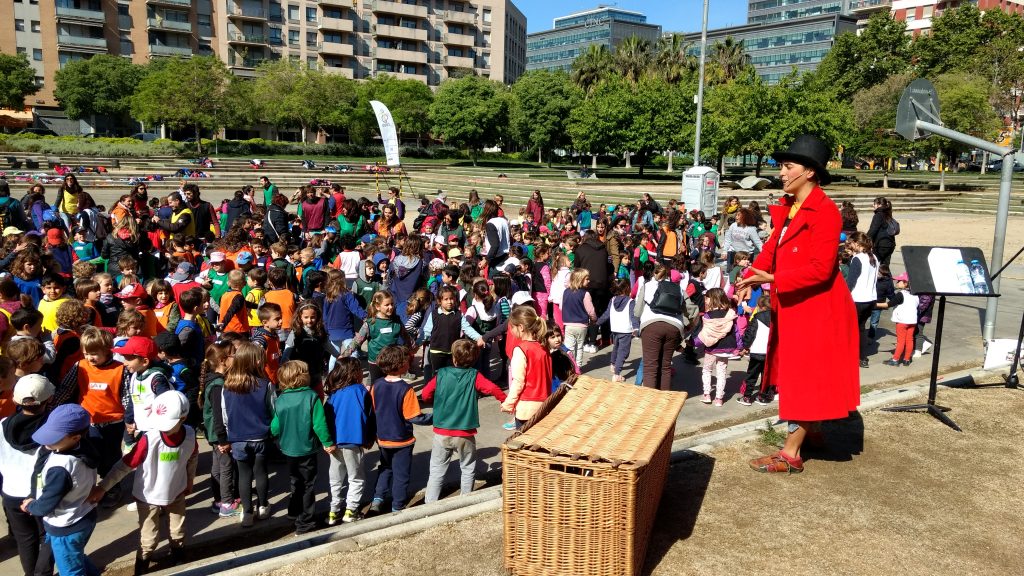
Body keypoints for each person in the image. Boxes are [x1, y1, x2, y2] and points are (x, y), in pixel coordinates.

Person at [736, 133, 860, 475]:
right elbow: (771, 250)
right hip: (797, 304)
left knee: (806, 377)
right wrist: (749, 278)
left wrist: (773, 279)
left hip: (820, 309)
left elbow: (822, 270)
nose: (781, 172)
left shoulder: (826, 212)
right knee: (802, 375)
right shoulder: (791, 207)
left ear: (809, 171)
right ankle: (812, 431)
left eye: (788, 166)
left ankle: (791, 454)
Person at [88, 391, 197, 574]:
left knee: (178, 532)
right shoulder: (150, 438)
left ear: (183, 418)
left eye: (168, 424)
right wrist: (103, 487)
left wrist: (190, 480)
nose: (163, 428)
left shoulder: (190, 435)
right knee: (149, 539)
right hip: (148, 495)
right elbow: (125, 465)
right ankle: (141, 568)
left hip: (176, 491)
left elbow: (192, 457)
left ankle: (179, 561)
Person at [420, 339, 506, 503]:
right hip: (465, 431)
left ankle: (430, 503)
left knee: (437, 469)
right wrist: (504, 400)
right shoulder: (474, 376)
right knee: (467, 467)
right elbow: (493, 388)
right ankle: (465, 500)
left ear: (453, 358)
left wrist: (434, 401)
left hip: (442, 430)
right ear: (474, 359)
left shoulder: (442, 374)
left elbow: (425, 394)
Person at [22, 404, 100, 576]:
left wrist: (30, 505)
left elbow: (46, 504)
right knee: (76, 556)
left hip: (66, 526)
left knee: (71, 570)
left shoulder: (60, 468)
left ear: (75, 437)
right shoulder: (86, 447)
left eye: (54, 437)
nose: (47, 441)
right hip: (85, 515)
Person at [0, 374, 56, 576]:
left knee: (25, 539)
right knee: (47, 536)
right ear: (50, 398)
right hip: (40, 493)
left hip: (11, 493)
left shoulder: (3, 424)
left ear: (15, 400)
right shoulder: (53, 429)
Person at [215, 342, 274, 527]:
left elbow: (225, 414)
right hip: (260, 436)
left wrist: (227, 434)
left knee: (244, 475)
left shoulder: (227, 386)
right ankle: (263, 506)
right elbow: (273, 409)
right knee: (261, 472)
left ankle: (247, 512)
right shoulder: (265, 384)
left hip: (238, 438)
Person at [271, 360, 333, 535]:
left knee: (295, 480)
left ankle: (293, 511)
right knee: (308, 484)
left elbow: (275, 426)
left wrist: (274, 435)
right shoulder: (311, 397)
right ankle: (305, 522)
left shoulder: (281, 399)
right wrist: (327, 442)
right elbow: (319, 424)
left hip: (288, 448)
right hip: (307, 449)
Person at [368, 345, 430, 513]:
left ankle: (377, 499)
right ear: (402, 365)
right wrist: (435, 417)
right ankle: (398, 506)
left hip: (382, 438)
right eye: (408, 360)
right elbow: (414, 417)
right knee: (401, 474)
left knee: (385, 468)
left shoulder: (376, 385)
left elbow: (372, 410)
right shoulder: (406, 389)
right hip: (402, 440)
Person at [323, 358, 373, 525]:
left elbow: (325, 419)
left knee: (335, 478)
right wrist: (369, 438)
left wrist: (326, 441)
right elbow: (370, 417)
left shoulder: (333, 394)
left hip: (335, 443)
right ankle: (351, 511)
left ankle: (333, 511)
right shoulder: (360, 391)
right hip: (353, 441)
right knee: (356, 478)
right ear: (355, 373)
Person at [635, 264, 688, 391]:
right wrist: (687, 326)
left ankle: (650, 399)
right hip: (674, 327)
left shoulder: (647, 286)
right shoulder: (679, 289)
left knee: (650, 367)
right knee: (665, 367)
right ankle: (664, 399)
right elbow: (691, 310)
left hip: (651, 326)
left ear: (654, 273)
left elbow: (637, 311)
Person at [499, 306, 552, 429]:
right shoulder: (544, 347)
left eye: (512, 327)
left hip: (526, 407)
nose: (510, 331)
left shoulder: (521, 350)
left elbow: (518, 381)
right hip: (545, 404)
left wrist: (509, 403)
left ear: (521, 327)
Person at [695, 288, 739, 407]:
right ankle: (719, 398)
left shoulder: (708, 316)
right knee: (721, 372)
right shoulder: (731, 314)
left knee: (707, 369)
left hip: (711, 348)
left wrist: (694, 342)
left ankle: (707, 394)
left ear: (712, 299)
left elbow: (704, 334)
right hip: (726, 348)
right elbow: (737, 332)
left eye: (707, 298)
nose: (705, 300)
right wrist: (739, 346)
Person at [845, 231, 879, 368]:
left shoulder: (858, 259)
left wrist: (844, 295)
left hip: (858, 299)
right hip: (871, 299)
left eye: (851, 243)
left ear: (857, 243)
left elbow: (851, 281)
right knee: (861, 328)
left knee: (850, 328)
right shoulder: (874, 257)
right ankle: (862, 357)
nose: (850, 246)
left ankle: (850, 355)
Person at [595, 279, 639, 383]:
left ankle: (613, 364)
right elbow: (632, 316)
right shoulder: (630, 301)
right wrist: (636, 328)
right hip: (625, 330)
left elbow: (606, 314)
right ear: (627, 288)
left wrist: (597, 322)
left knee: (616, 347)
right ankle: (617, 374)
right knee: (623, 352)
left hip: (615, 329)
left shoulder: (612, 299)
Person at [739, 294, 772, 406]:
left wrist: (745, 347)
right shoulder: (776, 318)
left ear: (761, 306)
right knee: (766, 375)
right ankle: (762, 397)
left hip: (757, 350)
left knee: (752, 374)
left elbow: (750, 334)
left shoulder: (757, 317)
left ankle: (747, 397)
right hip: (770, 352)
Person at [883, 272, 919, 367]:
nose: (897, 282)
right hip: (912, 321)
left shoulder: (901, 294)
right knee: (910, 340)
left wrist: (874, 305)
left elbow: (888, 304)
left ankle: (895, 360)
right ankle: (907, 359)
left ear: (905, 283)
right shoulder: (916, 295)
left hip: (902, 321)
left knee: (901, 341)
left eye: (899, 281)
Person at [723, 208, 763, 272]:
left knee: (745, 274)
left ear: (744, 217)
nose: (736, 217)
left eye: (738, 215)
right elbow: (728, 239)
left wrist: (764, 253)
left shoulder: (750, 229)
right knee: (733, 273)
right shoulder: (733, 225)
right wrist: (724, 251)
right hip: (735, 254)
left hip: (746, 255)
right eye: (736, 215)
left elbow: (758, 242)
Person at [866, 196, 897, 266]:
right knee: (885, 267)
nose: (873, 205)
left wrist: (865, 240)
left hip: (881, 244)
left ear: (879, 205)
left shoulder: (878, 215)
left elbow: (873, 230)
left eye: (874, 204)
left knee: (875, 265)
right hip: (890, 244)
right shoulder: (888, 213)